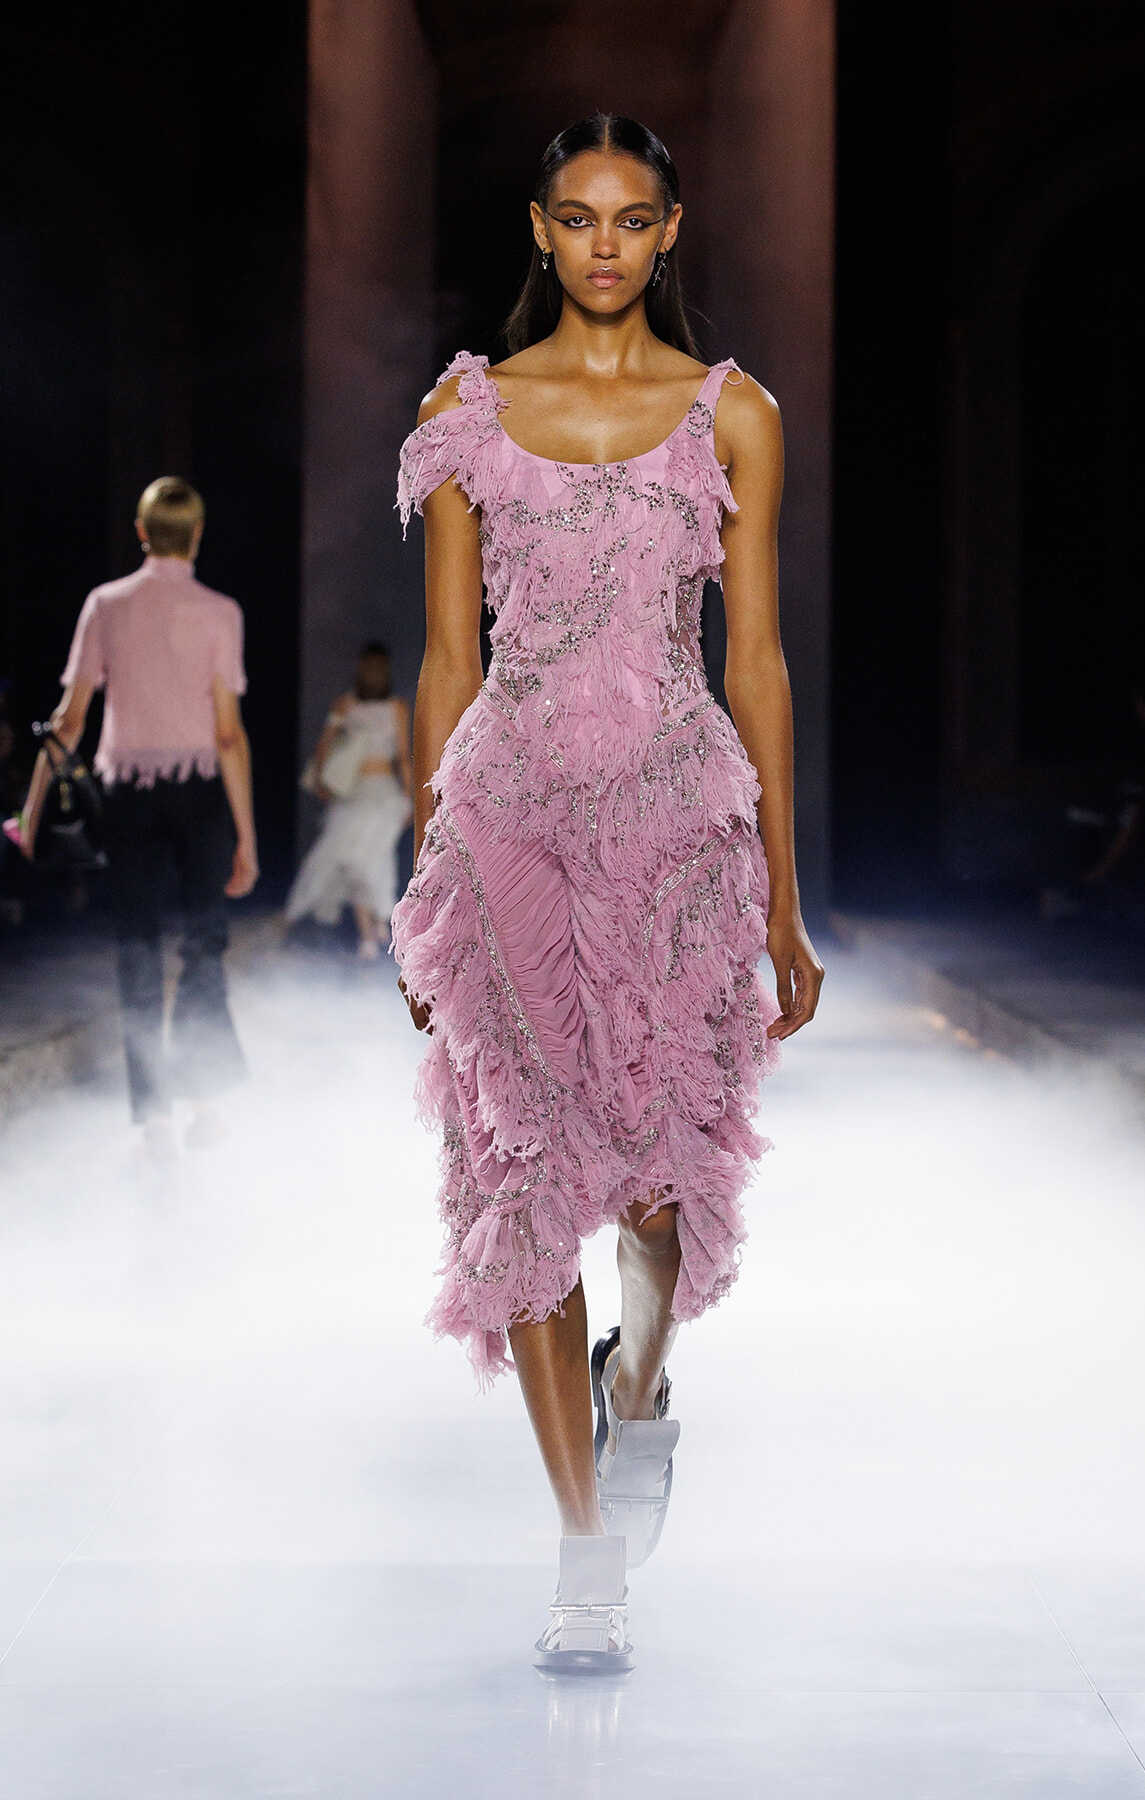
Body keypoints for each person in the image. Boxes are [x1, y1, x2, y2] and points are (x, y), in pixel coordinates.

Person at [391, 114, 823, 1672]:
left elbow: (755, 659)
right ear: (539, 227)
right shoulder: (465, 414)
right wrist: (428, 885)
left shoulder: (733, 415)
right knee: (521, 1189)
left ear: (670, 231)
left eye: (631, 219)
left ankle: (638, 1386)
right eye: (577, 217)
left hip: (675, 830)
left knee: (658, 1192)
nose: (603, 245)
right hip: (509, 826)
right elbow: (447, 664)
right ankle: (585, 1557)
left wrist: (784, 899)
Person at [10, 478, 258, 1159]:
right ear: (198, 535)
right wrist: (247, 836)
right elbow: (228, 734)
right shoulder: (220, 612)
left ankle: (155, 1123)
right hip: (200, 792)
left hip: (128, 795)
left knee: (137, 947)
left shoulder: (105, 603)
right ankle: (201, 1103)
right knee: (203, 941)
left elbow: (69, 722)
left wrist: (30, 812)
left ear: (142, 533)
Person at [285, 642, 413, 958]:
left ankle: (374, 930)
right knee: (358, 860)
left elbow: (402, 758)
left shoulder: (391, 707)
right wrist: (320, 779)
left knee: (368, 859)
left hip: (382, 796)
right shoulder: (346, 705)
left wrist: (411, 800)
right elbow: (325, 747)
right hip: (359, 795)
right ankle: (374, 928)